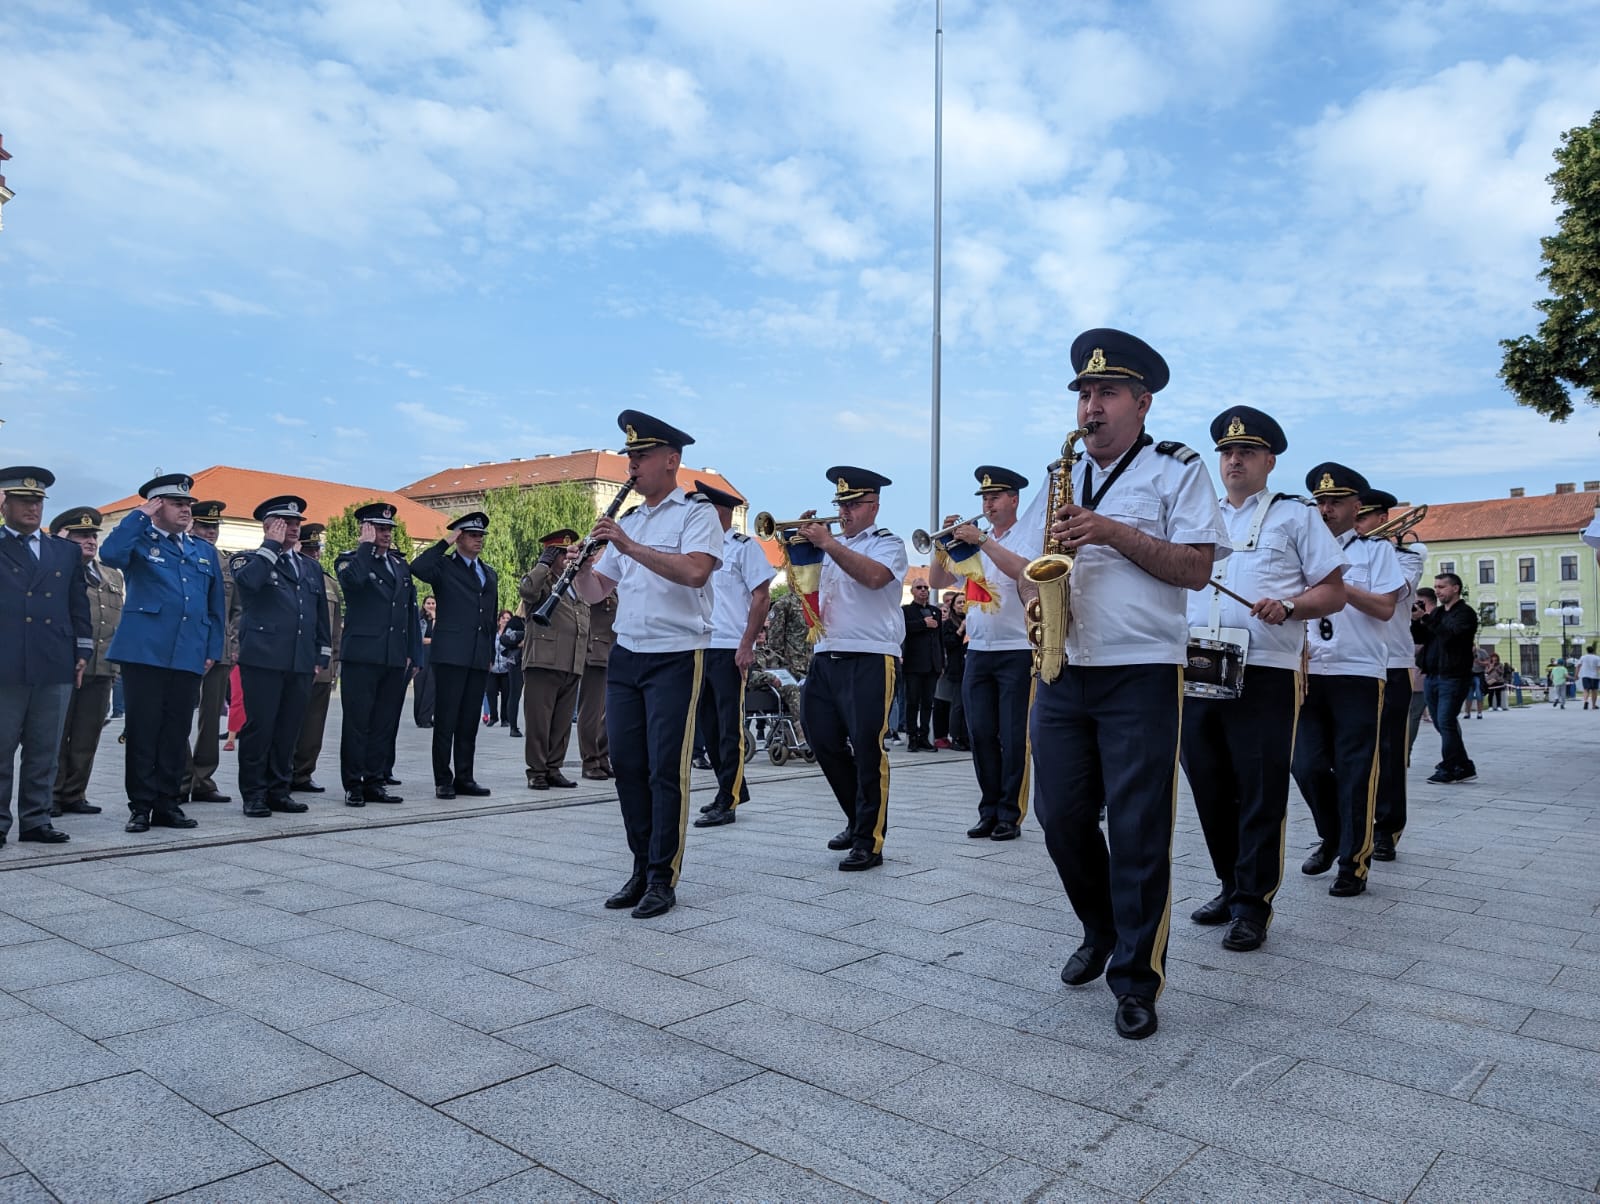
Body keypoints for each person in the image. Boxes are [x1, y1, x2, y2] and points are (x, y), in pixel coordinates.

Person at [1031, 333, 1228, 1041]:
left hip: (1142, 670)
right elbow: (1032, 562)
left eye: (1107, 393)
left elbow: (1196, 569)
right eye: (1085, 394)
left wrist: (1109, 530)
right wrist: (1033, 598)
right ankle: (1101, 926)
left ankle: (1137, 979)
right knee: (1058, 818)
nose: (1092, 406)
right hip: (1063, 667)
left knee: (1140, 828)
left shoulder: (1178, 468)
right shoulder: (1061, 471)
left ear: (1142, 404)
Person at [1177, 410, 1346, 952]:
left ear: (1269, 461)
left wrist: (1291, 605)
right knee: (1208, 787)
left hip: (1265, 670)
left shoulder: (1295, 516)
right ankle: (1229, 885)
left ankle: (1253, 904)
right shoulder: (1195, 514)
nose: (1234, 460)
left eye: (1246, 452)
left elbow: (1333, 591)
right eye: (1227, 452)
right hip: (1196, 665)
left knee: (1259, 790)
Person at [572, 410, 721, 919]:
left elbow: (696, 573)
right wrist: (578, 568)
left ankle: (662, 875)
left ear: (671, 460)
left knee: (665, 769)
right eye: (630, 457)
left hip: (676, 652)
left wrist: (628, 546)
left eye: (641, 456)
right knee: (628, 766)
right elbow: (598, 590)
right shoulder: (630, 521)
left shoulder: (696, 513)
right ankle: (639, 867)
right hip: (627, 653)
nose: (631, 466)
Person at [1293, 464, 1404, 895]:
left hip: (1358, 671)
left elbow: (1385, 608)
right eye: (1320, 502)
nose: (1326, 509)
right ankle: (1332, 834)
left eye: (1335, 502)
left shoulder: (1376, 552)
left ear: (1356, 506)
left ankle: (1353, 863)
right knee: (1305, 765)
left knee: (1356, 770)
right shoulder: (1300, 549)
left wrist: (1336, 583)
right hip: (1309, 670)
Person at [793, 466, 908, 874]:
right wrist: (801, 548)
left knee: (867, 747)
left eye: (854, 504)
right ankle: (857, 818)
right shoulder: (830, 547)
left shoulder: (887, 543)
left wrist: (827, 543)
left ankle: (868, 841)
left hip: (871, 655)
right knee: (822, 739)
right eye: (841, 504)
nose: (845, 512)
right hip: (827, 653)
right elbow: (807, 593)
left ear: (874, 506)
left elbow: (874, 578)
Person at [100, 473, 225, 833]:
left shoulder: (202, 550)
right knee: (143, 730)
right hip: (145, 652)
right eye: (177, 503)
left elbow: (215, 607)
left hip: (188, 651)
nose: (186, 510)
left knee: (175, 732)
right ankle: (141, 806)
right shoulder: (139, 539)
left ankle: (168, 804)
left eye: (188, 504)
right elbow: (110, 554)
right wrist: (139, 516)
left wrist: (212, 649)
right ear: (156, 506)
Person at [927, 465, 1042, 839]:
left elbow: (1024, 572)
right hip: (978, 649)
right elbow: (937, 580)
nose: (988, 505)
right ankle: (988, 809)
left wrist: (982, 541)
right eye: (985, 499)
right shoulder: (976, 544)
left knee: (1013, 735)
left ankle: (1010, 813)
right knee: (980, 734)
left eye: (994, 498)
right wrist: (943, 545)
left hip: (1017, 649)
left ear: (1014, 500)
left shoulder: (1027, 536)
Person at [1, 468, 90, 848]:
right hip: (5, 660)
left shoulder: (64, 551)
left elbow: (77, 604)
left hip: (53, 658)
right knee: (1, 748)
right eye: (23, 501)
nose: (32, 508)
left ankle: (37, 819)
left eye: (37, 501)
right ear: (4, 504)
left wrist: (82, 650)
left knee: (45, 749)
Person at [231, 496, 331, 819]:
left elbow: (319, 615)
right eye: (285, 522)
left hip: (299, 660)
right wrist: (270, 547)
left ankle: (279, 790)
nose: (294, 527)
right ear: (268, 526)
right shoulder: (249, 559)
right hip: (263, 659)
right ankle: (254, 794)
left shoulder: (310, 566)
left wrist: (321, 654)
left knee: (289, 729)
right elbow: (249, 584)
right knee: (260, 728)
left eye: (297, 522)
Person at [691, 481, 773, 827]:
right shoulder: (696, 547)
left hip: (729, 647)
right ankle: (728, 787)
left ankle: (729, 798)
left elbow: (761, 596)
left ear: (719, 512)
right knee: (708, 727)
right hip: (700, 645)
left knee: (729, 728)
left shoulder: (743, 547)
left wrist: (746, 644)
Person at [1354, 488, 1427, 861]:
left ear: (1383, 519)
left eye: (1361, 517)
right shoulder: (1340, 551)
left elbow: (1393, 594)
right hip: (1348, 662)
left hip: (1390, 662)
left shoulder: (1407, 556)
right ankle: (1348, 831)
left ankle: (1386, 828)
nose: (1354, 524)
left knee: (1388, 750)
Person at [410, 512, 499, 799]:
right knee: (446, 719)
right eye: (472, 535)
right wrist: (445, 542)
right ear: (459, 537)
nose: (478, 540)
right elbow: (418, 567)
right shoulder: (444, 567)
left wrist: (489, 653)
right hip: (450, 655)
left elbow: (490, 617)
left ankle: (465, 776)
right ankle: (443, 779)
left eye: (481, 535)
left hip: (477, 656)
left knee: (469, 721)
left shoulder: (489, 573)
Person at [334, 502, 417, 807]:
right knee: (358, 723)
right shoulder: (349, 560)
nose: (386, 534)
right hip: (362, 656)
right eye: (379, 528)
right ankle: (353, 784)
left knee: (383, 723)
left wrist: (413, 653)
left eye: (388, 529)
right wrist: (365, 548)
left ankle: (374, 781)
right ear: (365, 530)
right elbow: (353, 583)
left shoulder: (399, 565)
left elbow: (408, 611)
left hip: (393, 656)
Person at [50, 507, 123, 820]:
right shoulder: (55, 571)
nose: (91, 540)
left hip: (101, 666)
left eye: (93, 535)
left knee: (87, 734)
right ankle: (51, 794)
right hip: (63, 666)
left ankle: (75, 793)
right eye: (81, 535)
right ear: (61, 537)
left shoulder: (111, 575)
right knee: (56, 735)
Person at [518, 529, 589, 791]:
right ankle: (537, 770)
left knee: (561, 722)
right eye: (561, 553)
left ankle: (553, 767)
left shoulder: (575, 583)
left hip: (571, 661)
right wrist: (543, 565)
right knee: (540, 720)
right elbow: (527, 591)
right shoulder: (543, 582)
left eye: (570, 553)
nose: (568, 558)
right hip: (544, 661)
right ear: (550, 555)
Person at [182, 500, 238, 804]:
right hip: (186, 648)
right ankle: (180, 778)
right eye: (204, 526)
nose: (210, 532)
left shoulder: (225, 562)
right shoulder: (182, 554)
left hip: (219, 650)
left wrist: (233, 643)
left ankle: (203, 779)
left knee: (211, 718)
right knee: (179, 715)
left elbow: (237, 609)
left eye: (214, 527)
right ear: (192, 525)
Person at [291, 523, 343, 794]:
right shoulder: (289, 573)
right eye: (308, 549)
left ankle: (303, 773)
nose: (313, 554)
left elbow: (335, 629)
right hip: (293, 661)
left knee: (313, 725)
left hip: (322, 665)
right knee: (289, 721)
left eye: (316, 549)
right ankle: (281, 771)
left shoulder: (329, 582)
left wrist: (335, 662)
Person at [1414, 570, 1478, 783]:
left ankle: (1449, 767)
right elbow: (1421, 637)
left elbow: (1450, 637)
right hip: (1433, 675)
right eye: (1436, 587)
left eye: (1442, 587)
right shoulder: (1438, 613)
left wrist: (1426, 618)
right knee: (1442, 724)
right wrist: (1416, 620)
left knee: (1446, 721)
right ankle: (1464, 765)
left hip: (1454, 676)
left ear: (1455, 588)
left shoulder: (1465, 614)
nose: (1438, 591)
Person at [897, 578, 944, 753]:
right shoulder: (906, 611)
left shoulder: (935, 611)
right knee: (912, 701)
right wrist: (923, 624)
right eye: (919, 587)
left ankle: (924, 736)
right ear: (912, 591)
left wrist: (941, 662)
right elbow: (903, 629)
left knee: (928, 702)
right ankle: (912, 736)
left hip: (932, 665)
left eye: (925, 587)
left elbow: (939, 639)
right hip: (914, 664)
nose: (923, 590)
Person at [576, 595, 617, 779]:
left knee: (609, 712)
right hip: (596, 651)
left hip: (614, 652)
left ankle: (602, 756)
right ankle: (590, 760)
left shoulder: (617, 585)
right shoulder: (593, 582)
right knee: (591, 711)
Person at [933, 593, 968, 750]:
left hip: (969, 665)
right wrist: (960, 630)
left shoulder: (971, 620)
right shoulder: (949, 623)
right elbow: (948, 643)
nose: (962, 605)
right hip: (956, 668)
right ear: (953, 606)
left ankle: (966, 736)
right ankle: (956, 736)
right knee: (957, 704)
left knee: (967, 705)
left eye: (964, 602)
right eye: (959, 602)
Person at [413, 595, 437, 727]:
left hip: (434, 656)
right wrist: (431, 640)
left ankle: (426, 717)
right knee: (420, 686)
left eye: (433, 603)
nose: (431, 605)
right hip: (422, 655)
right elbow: (418, 638)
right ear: (423, 605)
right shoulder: (419, 619)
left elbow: (437, 635)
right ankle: (419, 717)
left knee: (431, 687)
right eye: (428, 603)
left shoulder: (437, 619)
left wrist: (434, 618)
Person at [1579, 644, 1600, 711]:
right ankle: (1593, 705)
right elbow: (1598, 667)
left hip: (1585, 675)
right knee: (1594, 690)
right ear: (1593, 651)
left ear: (1587, 651)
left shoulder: (1583, 657)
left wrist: (1576, 675)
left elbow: (1578, 666)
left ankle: (1585, 701)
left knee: (1586, 689)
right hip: (1595, 676)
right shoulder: (1597, 658)